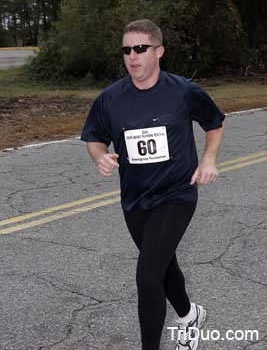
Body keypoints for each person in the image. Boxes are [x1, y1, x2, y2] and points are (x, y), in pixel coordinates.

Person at [81, 19, 225, 350]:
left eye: (141, 49)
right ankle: (190, 317)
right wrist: (99, 156)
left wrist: (208, 160)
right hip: (134, 199)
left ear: (159, 51)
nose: (132, 56)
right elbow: (94, 138)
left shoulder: (183, 91)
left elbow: (214, 124)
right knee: (162, 266)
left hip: (176, 194)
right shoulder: (111, 98)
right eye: (127, 50)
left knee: (147, 278)